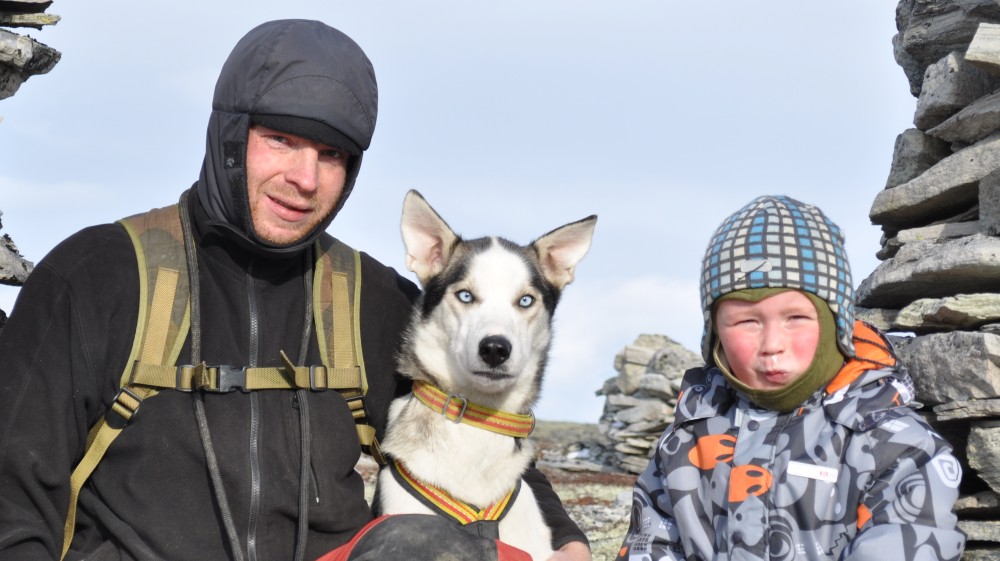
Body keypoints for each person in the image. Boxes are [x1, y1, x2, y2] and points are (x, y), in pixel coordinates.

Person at [0, 19, 590, 561]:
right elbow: (12, 497)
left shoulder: (371, 298)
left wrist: (563, 537)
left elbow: (478, 418)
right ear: (230, 134)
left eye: (331, 155)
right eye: (280, 139)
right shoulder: (96, 276)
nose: (305, 180)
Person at [616, 195, 966, 561]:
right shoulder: (686, 440)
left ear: (836, 324)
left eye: (796, 318)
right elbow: (652, 545)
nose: (772, 345)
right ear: (715, 333)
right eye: (746, 322)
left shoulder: (892, 442)